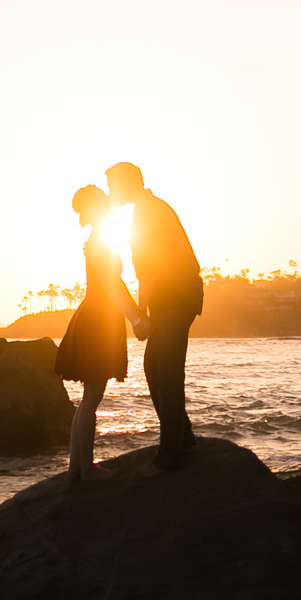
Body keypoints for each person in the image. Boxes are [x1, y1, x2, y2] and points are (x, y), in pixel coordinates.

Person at [106, 161, 203, 470]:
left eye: (112, 187)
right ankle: (183, 437)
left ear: (126, 184)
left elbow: (149, 269)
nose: (110, 193)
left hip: (174, 299)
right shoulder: (147, 208)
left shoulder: (149, 211)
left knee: (168, 372)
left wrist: (139, 314)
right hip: (171, 299)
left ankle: (170, 453)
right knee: (154, 367)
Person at [54, 184, 149, 481]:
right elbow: (112, 285)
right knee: (92, 398)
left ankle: (75, 469)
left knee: (88, 399)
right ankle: (84, 469)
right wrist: (134, 317)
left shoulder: (98, 239)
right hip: (97, 321)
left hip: (95, 317)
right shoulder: (100, 242)